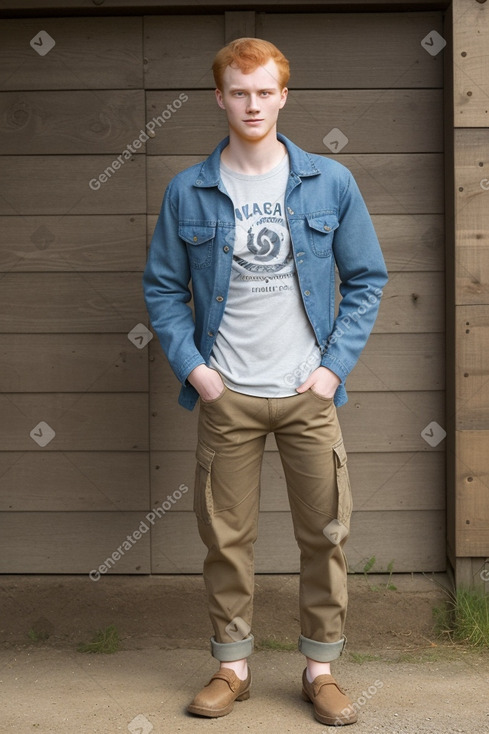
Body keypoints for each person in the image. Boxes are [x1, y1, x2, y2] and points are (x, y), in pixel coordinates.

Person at [143, 37, 388, 727]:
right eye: (238, 92)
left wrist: (330, 368)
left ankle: (320, 670)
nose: (252, 104)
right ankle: (232, 668)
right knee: (226, 540)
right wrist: (196, 369)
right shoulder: (187, 189)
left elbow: (366, 279)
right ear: (220, 97)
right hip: (229, 398)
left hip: (307, 398)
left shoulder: (329, 183)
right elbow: (162, 288)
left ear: (283, 96)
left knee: (326, 532)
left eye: (264, 92)